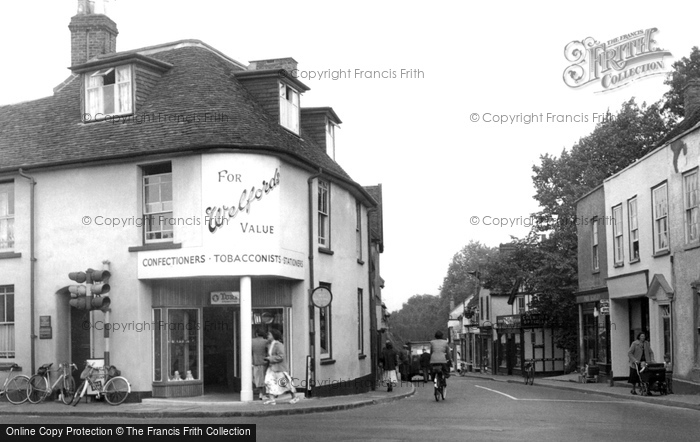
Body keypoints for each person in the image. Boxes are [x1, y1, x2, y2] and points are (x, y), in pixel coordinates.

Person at [263, 329, 299, 405]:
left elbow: (281, 356)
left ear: (273, 336)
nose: (268, 336)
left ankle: (294, 397)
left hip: (279, 368)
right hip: (272, 367)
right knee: (268, 381)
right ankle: (272, 399)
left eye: (269, 334)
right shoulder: (270, 344)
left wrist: (270, 358)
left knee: (284, 383)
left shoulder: (278, 345)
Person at [251, 327, 268, 400]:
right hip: (264, 362)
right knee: (264, 378)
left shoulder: (252, 341)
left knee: (257, 379)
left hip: (255, 362)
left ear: (256, 334)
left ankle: (260, 393)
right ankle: (263, 394)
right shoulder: (266, 342)